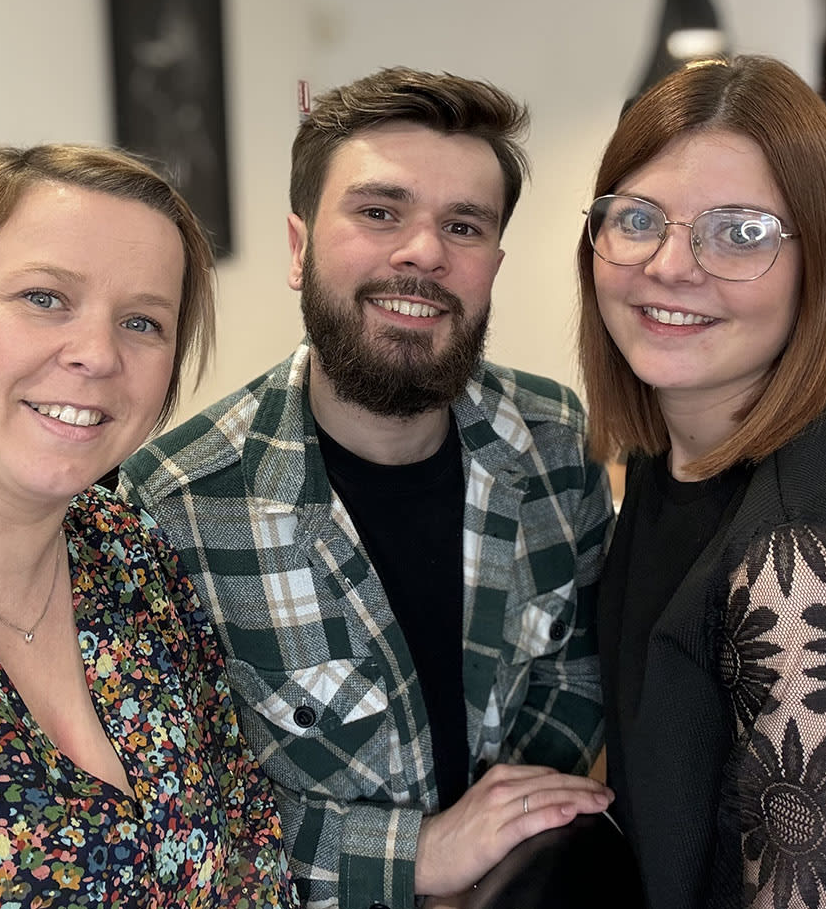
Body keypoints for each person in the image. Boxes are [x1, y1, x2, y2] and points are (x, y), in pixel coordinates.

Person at [119, 66, 614, 908]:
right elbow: (179, 817)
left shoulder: (555, 442)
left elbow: (578, 670)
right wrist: (417, 857)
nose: (424, 251)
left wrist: (507, 845)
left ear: (492, 265)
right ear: (299, 245)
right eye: (379, 212)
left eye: (463, 225)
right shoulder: (172, 511)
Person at [0, 145, 299, 907]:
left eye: (143, 321)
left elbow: (247, 843)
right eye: (45, 297)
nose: (99, 355)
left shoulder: (127, 549)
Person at [577, 54, 826, 908]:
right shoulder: (668, 450)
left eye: (741, 232)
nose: (672, 266)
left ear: (817, 263)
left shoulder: (806, 563)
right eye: (639, 219)